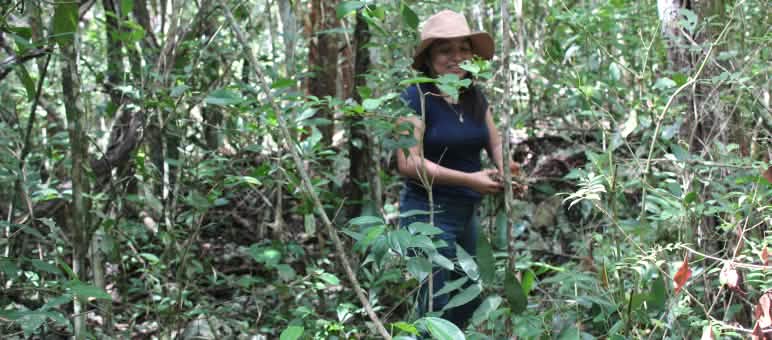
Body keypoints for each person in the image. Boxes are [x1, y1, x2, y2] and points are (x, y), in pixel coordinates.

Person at [396, 10, 519, 328]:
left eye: (463, 49)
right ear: (429, 57)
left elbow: (494, 143)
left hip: (466, 213)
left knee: (467, 298)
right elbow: (408, 162)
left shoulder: (474, 95)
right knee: (434, 306)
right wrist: (469, 179)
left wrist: (507, 169)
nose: (456, 57)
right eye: (445, 50)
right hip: (427, 213)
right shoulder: (414, 97)